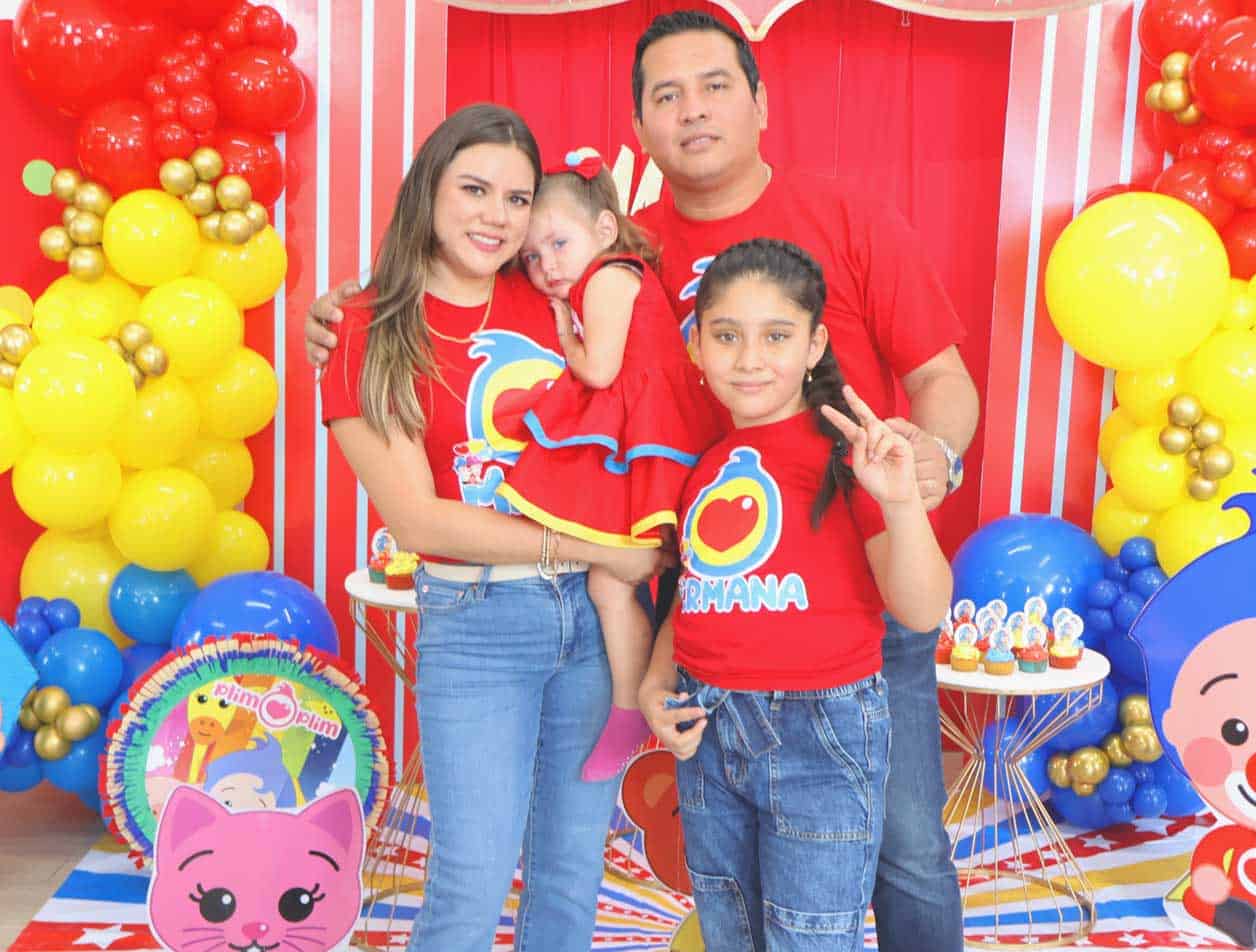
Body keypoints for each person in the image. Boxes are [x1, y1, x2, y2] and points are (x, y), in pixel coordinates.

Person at [304, 14, 979, 949]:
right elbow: (451, 302)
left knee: (903, 850)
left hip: (852, 588)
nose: (692, 110)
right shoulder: (603, 255)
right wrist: (347, 309)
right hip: (699, 593)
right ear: (639, 127)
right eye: (667, 95)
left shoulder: (848, 217)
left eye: (714, 86)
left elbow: (943, 377)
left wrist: (932, 462)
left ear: (760, 102)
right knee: (724, 865)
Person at [317, 102, 666, 952]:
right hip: (478, 624)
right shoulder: (367, 328)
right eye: (475, 189)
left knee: (572, 871)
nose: (498, 218)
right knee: (471, 876)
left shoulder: (548, 290)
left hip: (596, 621)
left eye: (517, 199)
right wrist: (598, 548)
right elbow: (418, 519)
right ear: (429, 188)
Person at [640, 237, 952, 950]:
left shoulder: (854, 457)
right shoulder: (706, 465)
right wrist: (658, 683)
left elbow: (922, 608)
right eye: (727, 336)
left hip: (823, 733)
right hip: (710, 729)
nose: (750, 359)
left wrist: (902, 503)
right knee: (730, 928)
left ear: (814, 346)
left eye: (776, 336)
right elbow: (699, 587)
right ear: (696, 347)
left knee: (809, 936)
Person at [500, 153, 725, 781]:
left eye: (558, 244)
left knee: (612, 582)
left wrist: (564, 336)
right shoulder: (602, 274)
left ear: (604, 228)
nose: (546, 267)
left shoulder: (606, 277)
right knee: (617, 581)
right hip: (649, 434)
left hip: (659, 438)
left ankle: (634, 707)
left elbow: (598, 369)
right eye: (532, 257)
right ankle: (640, 704)